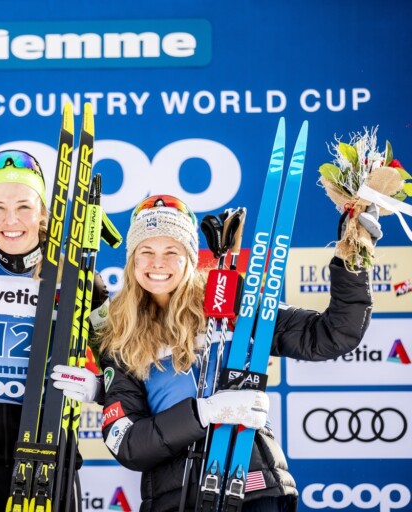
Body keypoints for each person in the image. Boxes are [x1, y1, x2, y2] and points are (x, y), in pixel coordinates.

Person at [99, 195, 375, 512]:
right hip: (175, 499)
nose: (157, 263)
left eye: (171, 252)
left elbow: (330, 335)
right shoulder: (120, 339)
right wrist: (202, 413)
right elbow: (128, 444)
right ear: (132, 261)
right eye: (146, 252)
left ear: (189, 257)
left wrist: (353, 258)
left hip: (251, 486)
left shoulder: (230, 301)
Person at [0, 149, 109, 512]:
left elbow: (120, 364)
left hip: (50, 464)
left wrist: (98, 387)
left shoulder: (78, 279)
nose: (10, 220)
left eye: (24, 207)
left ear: (43, 211)